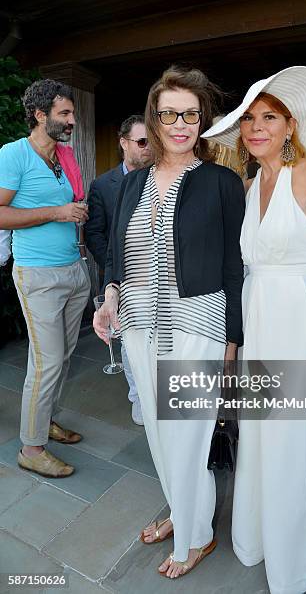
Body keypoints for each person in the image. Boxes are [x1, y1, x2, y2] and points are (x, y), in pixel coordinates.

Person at [203, 66, 306, 593]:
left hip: (301, 317)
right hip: (260, 313)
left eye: (269, 118)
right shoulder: (248, 186)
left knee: (293, 440)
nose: (256, 128)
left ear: (289, 126)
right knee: (261, 433)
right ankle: (257, 539)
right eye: (249, 119)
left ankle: (292, 564)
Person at [93, 66, 245, 578]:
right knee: (157, 432)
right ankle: (184, 512)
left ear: (201, 119)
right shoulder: (133, 183)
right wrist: (109, 296)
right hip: (137, 324)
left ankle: (197, 537)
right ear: (154, 119)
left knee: (188, 433)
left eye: (190, 114)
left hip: (197, 322)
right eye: (169, 114)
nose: (180, 124)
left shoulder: (221, 182)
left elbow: (232, 264)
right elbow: (115, 251)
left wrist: (233, 338)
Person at [0, 79, 90, 478]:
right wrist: (58, 213)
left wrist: (76, 212)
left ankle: (45, 420)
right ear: (40, 115)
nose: (72, 121)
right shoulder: (13, 155)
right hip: (38, 275)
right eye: (64, 114)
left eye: (72, 113)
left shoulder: (66, 155)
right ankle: (31, 447)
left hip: (74, 268)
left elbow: (71, 202)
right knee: (47, 361)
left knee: (63, 356)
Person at [85, 114, 153, 425]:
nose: (147, 147)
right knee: (127, 340)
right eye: (141, 141)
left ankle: (158, 397)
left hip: (155, 278)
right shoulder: (102, 184)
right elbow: (95, 233)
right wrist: (114, 269)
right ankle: (138, 400)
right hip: (120, 279)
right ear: (123, 143)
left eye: (150, 140)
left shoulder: (159, 177)